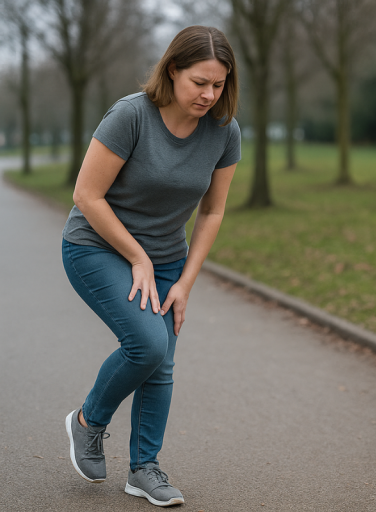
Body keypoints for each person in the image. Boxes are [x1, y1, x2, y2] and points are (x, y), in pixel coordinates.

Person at [62, 26, 240, 507]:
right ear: (173, 70)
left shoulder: (224, 131)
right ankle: (87, 422)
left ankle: (144, 470)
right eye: (199, 82)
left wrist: (185, 281)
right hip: (96, 245)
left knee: (162, 363)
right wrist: (137, 256)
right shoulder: (131, 116)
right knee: (146, 342)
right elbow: (87, 195)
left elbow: (213, 210)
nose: (208, 94)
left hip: (167, 259)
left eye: (218, 85)